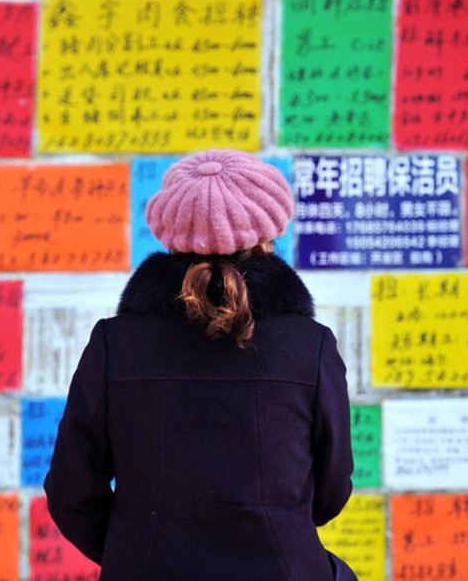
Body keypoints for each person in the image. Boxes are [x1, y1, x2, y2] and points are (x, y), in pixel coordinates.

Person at [44, 149, 356, 580]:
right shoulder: (310, 346)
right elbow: (331, 491)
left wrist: (135, 550)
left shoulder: (114, 344)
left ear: (169, 231)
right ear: (267, 229)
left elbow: (70, 491)